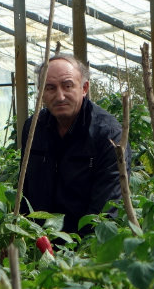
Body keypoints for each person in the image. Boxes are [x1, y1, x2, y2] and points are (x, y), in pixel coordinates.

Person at [21, 54, 131, 236]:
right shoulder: (34, 128)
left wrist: (77, 253)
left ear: (84, 88)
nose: (60, 96)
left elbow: (106, 209)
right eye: (50, 88)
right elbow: (25, 191)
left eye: (68, 86)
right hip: (39, 243)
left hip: (83, 247)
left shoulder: (108, 134)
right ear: (41, 92)